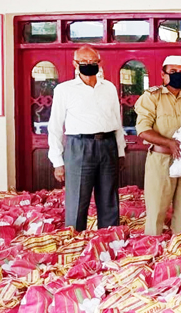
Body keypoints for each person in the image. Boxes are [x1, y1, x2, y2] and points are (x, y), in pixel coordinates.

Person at [48, 45, 125, 231]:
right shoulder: (64, 90)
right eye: (84, 62)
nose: (89, 65)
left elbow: (117, 121)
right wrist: (57, 161)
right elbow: (55, 126)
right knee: (77, 200)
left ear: (100, 63)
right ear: (75, 63)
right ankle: (75, 244)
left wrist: (120, 151)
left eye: (93, 62)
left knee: (109, 198)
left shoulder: (109, 88)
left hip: (108, 145)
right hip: (79, 146)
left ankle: (108, 240)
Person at [135, 55, 181, 236]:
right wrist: (169, 143)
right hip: (161, 159)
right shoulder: (152, 97)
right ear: (163, 75)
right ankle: (150, 250)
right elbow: (143, 130)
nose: (178, 76)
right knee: (157, 208)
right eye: (173, 72)